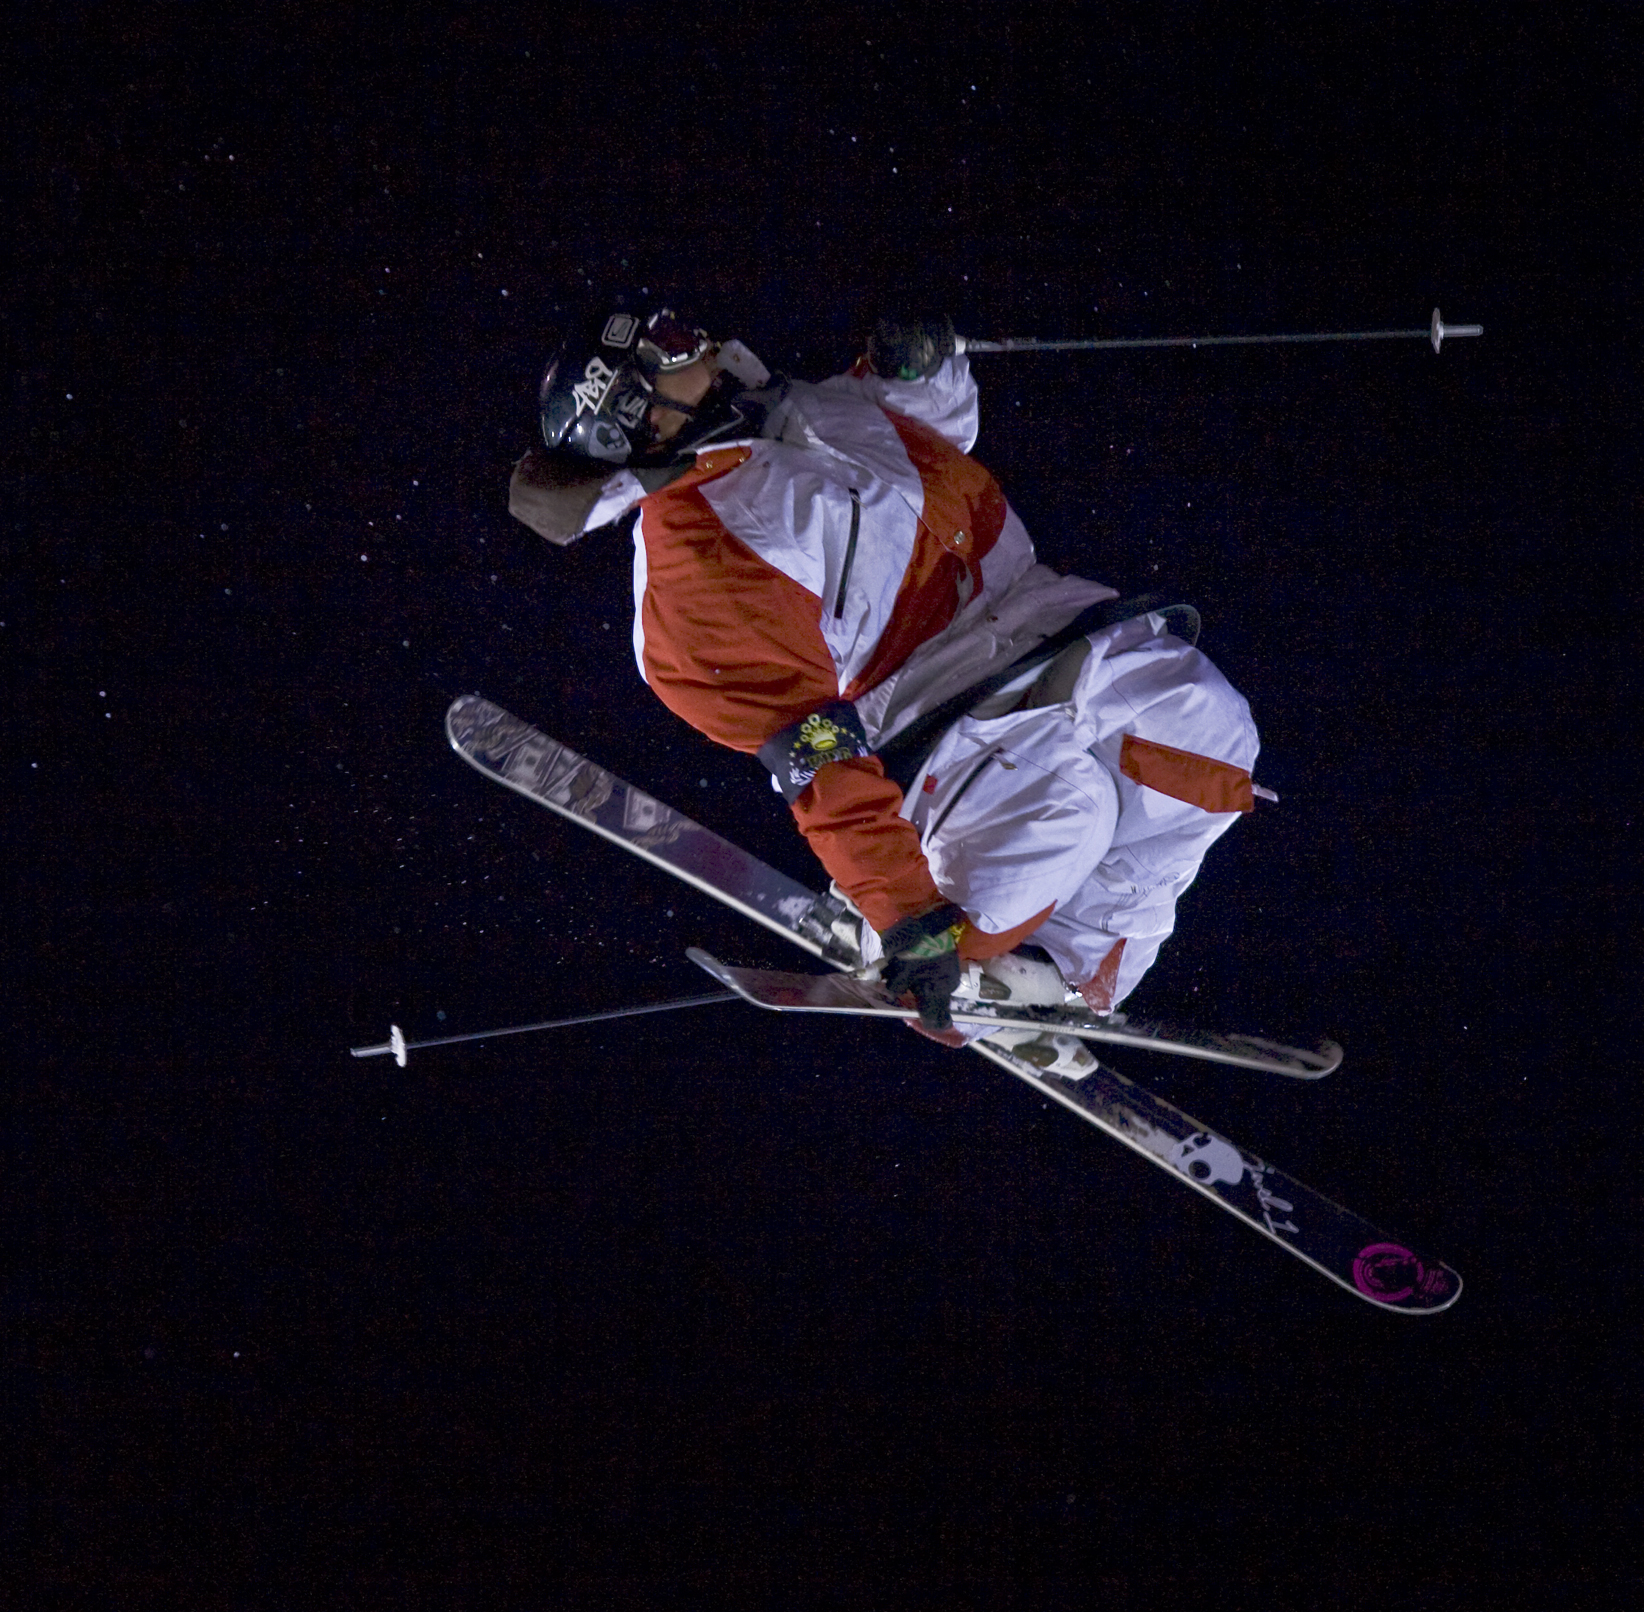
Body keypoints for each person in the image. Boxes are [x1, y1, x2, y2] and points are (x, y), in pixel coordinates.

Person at [509, 306, 1264, 1055]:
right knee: (1074, 809)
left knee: (1204, 727)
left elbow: (932, 440)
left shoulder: (789, 406)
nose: (697, 340)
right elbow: (813, 752)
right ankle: (954, 964)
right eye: (669, 347)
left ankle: (1068, 978)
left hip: (1035, 612)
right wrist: (903, 909)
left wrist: (917, 365)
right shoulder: (696, 568)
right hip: (932, 711)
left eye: (674, 326)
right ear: (640, 418)